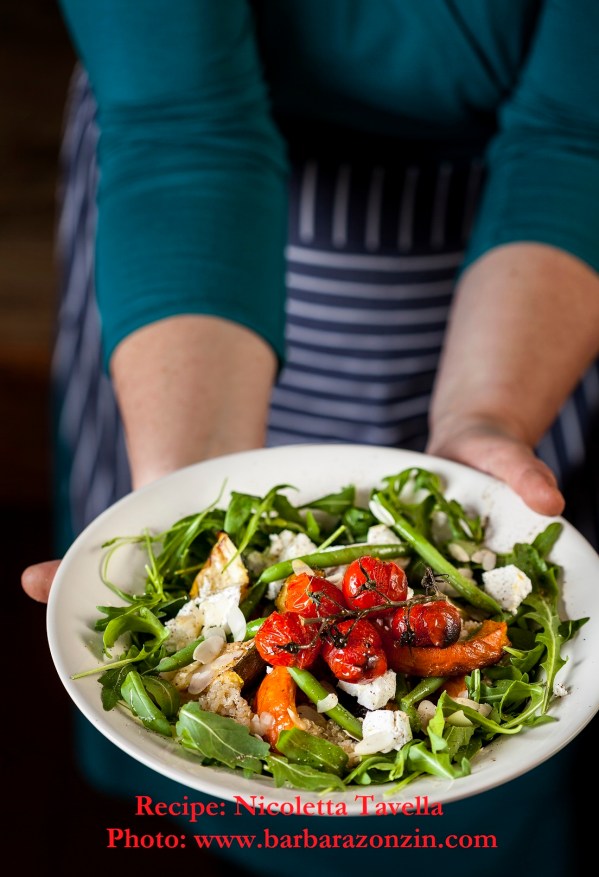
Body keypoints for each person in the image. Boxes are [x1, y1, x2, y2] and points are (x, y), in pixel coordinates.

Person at [23, 1, 599, 874]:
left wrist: (487, 415)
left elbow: (575, 135)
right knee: (185, 740)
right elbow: (183, 123)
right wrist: (185, 488)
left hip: (516, 272)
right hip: (186, 274)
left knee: (461, 830)